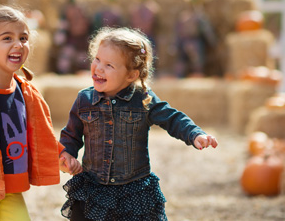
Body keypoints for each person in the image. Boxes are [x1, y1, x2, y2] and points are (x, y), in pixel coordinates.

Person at [60, 27, 218, 221]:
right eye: (97, 59)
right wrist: (66, 154)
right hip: (93, 188)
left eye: (109, 65)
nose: (99, 68)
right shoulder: (84, 99)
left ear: (131, 75)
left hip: (133, 191)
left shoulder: (143, 99)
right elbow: (71, 135)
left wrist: (194, 134)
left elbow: (172, 118)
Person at [0, 5, 82, 221]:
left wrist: (61, 156)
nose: (18, 44)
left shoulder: (27, 92)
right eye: (7, 38)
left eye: (23, 38)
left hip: (10, 188)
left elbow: (42, 137)